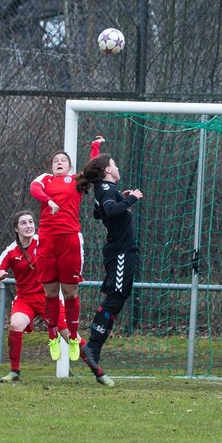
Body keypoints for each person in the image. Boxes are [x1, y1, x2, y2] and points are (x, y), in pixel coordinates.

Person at [30, 136, 104, 363]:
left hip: (70, 240)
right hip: (47, 241)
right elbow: (34, 188)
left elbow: (93, 169)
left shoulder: (75, 180)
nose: (59, 162)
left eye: (63, 160)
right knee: (51, 293)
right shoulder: (45, 180)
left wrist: (95, 147)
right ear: (51, 166)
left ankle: (72, 336)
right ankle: (52, 334)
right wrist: (49, 201)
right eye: (56, 160)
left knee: (70, 294)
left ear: (70, 166)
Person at [74, 151, 143, 387]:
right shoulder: (104, 188)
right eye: (113, 164)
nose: (117, 167)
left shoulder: (106, 190)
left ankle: (94, 348)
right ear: (106, 171)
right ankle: (92, 346)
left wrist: (120, 198)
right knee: (115, 296)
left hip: (123, 251)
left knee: (119, 296)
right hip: (120, 252)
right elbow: (111, 210)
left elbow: (98, 212)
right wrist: (131, 198)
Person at [0, 210, 70, 383]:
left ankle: (98, 371)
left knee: (71, 336)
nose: (28, 226)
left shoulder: (44, 242)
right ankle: (14, 372)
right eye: (23, 223)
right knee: (16, 324)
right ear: (16, 229)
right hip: (25, 300)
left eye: (31, 222)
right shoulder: (11, 251)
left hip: (49, 298)